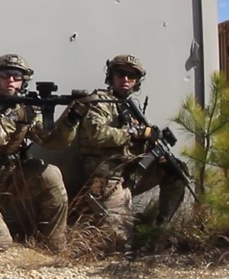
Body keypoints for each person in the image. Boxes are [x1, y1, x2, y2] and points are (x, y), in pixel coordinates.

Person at [0, 54, 88, 253]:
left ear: (23, 81)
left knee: (50, 174)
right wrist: (16, 117)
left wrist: (72, 118)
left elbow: (53, 142)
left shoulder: (25, 108)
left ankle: (53, 246)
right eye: (6, 75)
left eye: (16, 76)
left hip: (5, 182)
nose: (11, 80)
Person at [71, 54, 187, 246]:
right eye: (121, 73)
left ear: (137, 82)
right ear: (111, 75)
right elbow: (97, 134)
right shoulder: (99, 102)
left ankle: (159, 231)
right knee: (122, 242)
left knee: (177, 172)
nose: (125, 79)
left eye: (131, 76)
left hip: (130, 173)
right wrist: (136, 133)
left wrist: (156, 150)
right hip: (106, 178)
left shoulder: (131, 107)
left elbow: (140, 142)